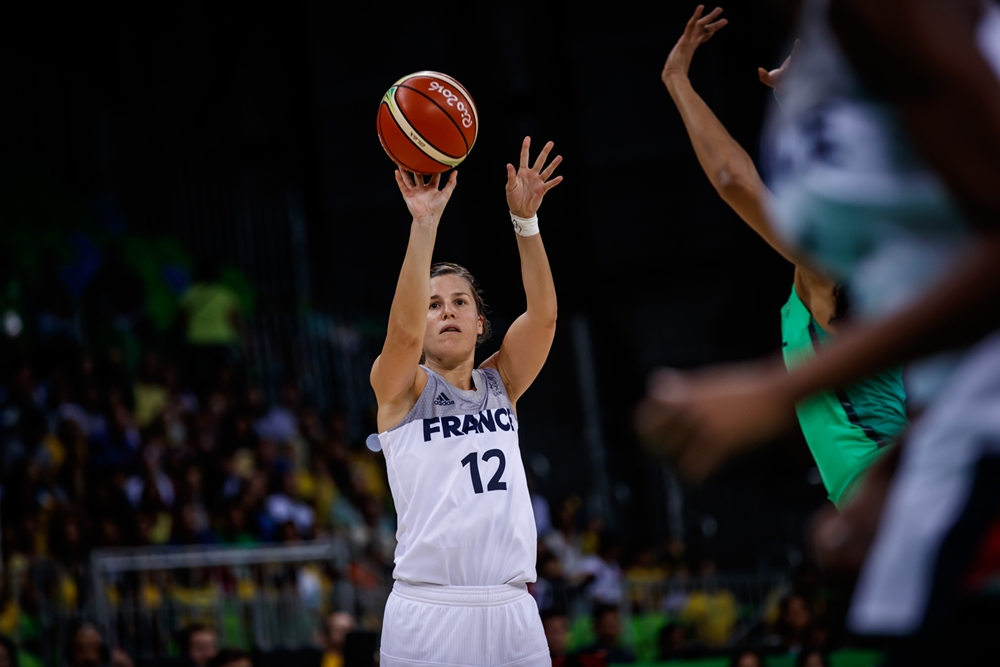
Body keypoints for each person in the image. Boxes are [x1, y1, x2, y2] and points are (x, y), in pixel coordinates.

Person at [638, 1, 1000, 664]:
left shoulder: (828, 285)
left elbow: (732, 179)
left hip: (962, 468)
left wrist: (772, 393)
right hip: (922, 467)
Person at [659, 5, 908, 509]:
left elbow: (735, 180)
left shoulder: (831, 272)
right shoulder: (881, 263)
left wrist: (678, 81)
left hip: (895, 498)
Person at [368, 136, 562, 667]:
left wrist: (526, 223)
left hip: (512, 610)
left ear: (480, 323)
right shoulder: (399, 389)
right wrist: (423, 223)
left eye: (459, 302)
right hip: (428, 611)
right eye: (433, 305)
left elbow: (543, 316)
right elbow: (403, 338)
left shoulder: (502, 382)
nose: (447, 311)